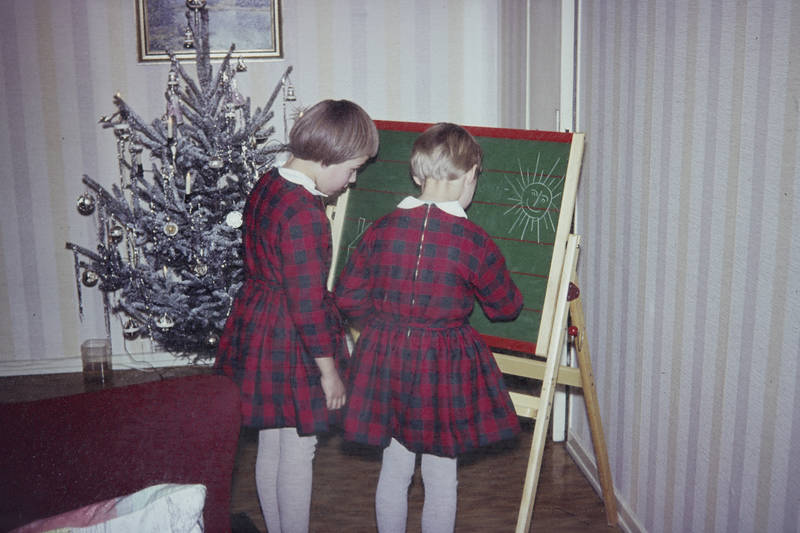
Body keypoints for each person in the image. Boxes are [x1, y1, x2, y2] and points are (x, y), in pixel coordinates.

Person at [334, 122, 523, 532]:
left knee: (394, 467)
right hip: (442, 365)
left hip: (385, 357)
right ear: (470, 175)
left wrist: (383, 325)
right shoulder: (474, 241)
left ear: (417, 175)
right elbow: (505, 306)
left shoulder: (381, 229)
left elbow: (347, 296)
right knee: (440, 475)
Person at [215, 99, 379, 533]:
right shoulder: (306, 213)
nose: (352, 180)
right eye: (352, 169)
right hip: (292, 337)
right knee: (300, 448)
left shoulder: (268, 183)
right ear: (328, 156)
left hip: (260, 323)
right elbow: (307, 302)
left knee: (273, 439)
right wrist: (329, 372)